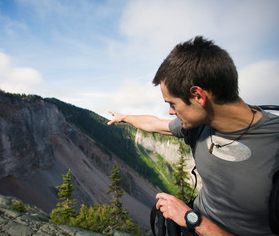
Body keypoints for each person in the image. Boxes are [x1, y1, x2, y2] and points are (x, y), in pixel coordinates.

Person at [107, 36, 279, 235]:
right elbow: (155, 124)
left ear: (198, 96)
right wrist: (124, 117)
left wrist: (192, 219)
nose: (171, 112)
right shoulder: (199, 125)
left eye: (172, 104)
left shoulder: (274, 148)